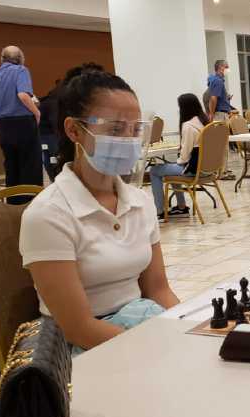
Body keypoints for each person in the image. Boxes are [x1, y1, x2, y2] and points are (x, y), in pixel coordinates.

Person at [19, 70, 180, 353]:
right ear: (74, 131)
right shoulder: (48, 214)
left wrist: (183, 330)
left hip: (139, 330)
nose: (129, 141)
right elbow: (77, 327)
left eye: (135, 130)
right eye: (116, 129)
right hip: (84, 349)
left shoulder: (139, 201)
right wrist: (153, 349)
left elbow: (158, 290)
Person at [0, 46, 42, 204]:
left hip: (4, 125)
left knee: (11, 166)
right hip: (23, 122)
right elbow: (23, 95)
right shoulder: (21, 70)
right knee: (30, 166)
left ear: (2, 58)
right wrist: (36, 112)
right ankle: (30, 205)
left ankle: (13, 204)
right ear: (20, 58)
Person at [149, 93, 209, 219]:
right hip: (207, 170)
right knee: (171, 170)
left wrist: (177, 160)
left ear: (184, 108)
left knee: (154, 170)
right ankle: (181, 207)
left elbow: (184, 158)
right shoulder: (205, 121)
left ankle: (159, 211)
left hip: (193, 170)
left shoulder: (188, 126)